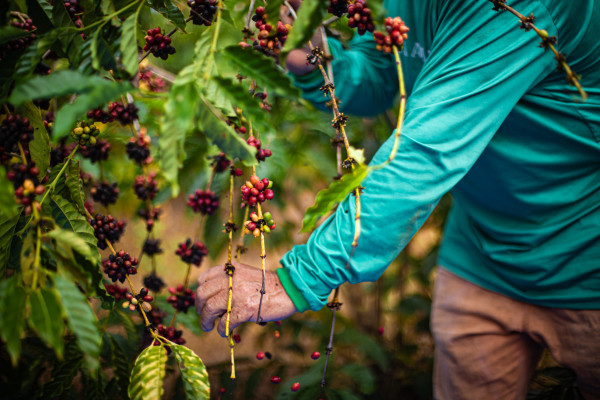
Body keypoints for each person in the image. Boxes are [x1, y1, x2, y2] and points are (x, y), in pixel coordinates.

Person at [196, 0, 600, 398]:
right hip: (480, 255)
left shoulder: (517, 9)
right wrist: (314, 57)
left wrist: (297, 279)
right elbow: (379, 74)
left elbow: (425, 151)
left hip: (584, 266)